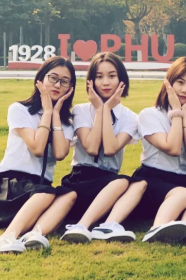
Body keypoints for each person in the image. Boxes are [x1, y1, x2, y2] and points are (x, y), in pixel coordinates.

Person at [0, 56, 77, 253]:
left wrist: (55, 115)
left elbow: (60, 153)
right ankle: (5, 238)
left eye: (64, 81)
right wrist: (47, 112)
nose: (57, 85)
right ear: (40, 79)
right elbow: (37, 148)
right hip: (9, 186)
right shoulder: (20, 110)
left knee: (69, 194)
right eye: (53, 78)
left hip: (39, 191)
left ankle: (33, 235)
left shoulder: (66, 122)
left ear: (70, 88)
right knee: (46, 192)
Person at [60, 52, 147, 243]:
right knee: (121, 182)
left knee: (139, 183)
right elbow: (91, 148)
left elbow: (110, 148)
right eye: (99, 77)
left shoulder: (131, 118)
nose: (105, 82)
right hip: (81, 179)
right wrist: (100, 110)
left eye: (112, 76)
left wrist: (106, 109)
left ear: (121, 80)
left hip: (109, 183)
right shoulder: (81, 110)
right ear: (91, 82)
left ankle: (108, 225)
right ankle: (81, 226)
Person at [133, 57, 186, 244]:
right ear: (169, 83)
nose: (185, 90)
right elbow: (173, 148)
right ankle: (156, 229)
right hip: (151, 180)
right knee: (184, 193)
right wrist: (177, 112)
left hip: (179, 182)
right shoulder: (150, 115)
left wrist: (185, 115)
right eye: (180, 82)